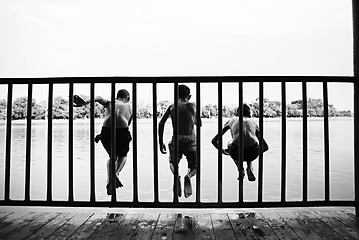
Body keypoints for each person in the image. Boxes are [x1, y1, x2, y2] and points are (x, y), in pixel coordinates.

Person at [73, 89, 132, 195]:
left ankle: (110, 180)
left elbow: (99, 98)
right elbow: (128, 124)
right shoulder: (130, 106)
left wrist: (84, 102)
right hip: (122, 131)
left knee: (112, 157)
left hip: (106, 131)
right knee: (123, 155)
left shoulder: (110, 102)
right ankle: (116, 174)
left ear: (117, 96)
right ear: (127, 98)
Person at [158, 84, 202, 198]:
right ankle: (188, 176)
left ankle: (177, 175)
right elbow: (199, 124)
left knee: (173, 163)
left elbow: (161, 123)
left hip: (177, 139)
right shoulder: (193, 105)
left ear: (176, 95)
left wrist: (160, 141)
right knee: (195, 166)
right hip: (191, 139)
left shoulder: (172, 107)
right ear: (190, 96)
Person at [211, 103, 268, 181]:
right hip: (252, 153)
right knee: (252, 144)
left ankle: (240, 168)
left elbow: (214, 141)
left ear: (237, 113)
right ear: (249, 113)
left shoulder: (231, 120)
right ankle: (250, 168)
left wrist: (222, 150)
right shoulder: (253, 122)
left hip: (236, 153)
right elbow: (265, 147)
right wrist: (257, 150)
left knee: (231, 143)